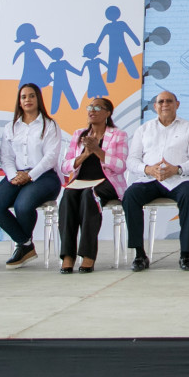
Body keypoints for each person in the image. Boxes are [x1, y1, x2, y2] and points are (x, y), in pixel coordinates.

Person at [123, 90, 189, 271]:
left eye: (169, 101)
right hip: (149, 179)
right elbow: (132, 160)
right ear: (155, 106)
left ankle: (185, 254)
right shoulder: (143, 129)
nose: (165, 104)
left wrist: (177, 169)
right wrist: (147, 169)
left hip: (179, 179)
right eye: (161, 102)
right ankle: (139, 254)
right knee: (130, 196)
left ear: (177, 104)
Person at [0, 83, 64, 268]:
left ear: (38, 99)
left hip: (44, 176)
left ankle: (22, 247)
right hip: (17, 175)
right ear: (19, 101)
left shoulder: (50, 125)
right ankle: (25, 244)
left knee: (23, 205)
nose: (27, 100)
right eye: (23, 97)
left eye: (31, 96)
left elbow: (50, 157)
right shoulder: (11, 127)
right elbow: (6, 157)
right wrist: (14, 176)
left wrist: (30, 176)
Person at [58, 97, 127, 272]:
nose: (92, 111)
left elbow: (120, 166)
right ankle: (68, 255)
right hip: (81, 181)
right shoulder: (79, 134)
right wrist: (85, 154)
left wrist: (97, 150)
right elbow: (65, 167)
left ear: (108, 113)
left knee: (90, 196)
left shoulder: (118, 135)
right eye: (90, 107)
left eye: (97, 108)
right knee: (68, 195)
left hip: (106, 182)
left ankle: (88, 255)